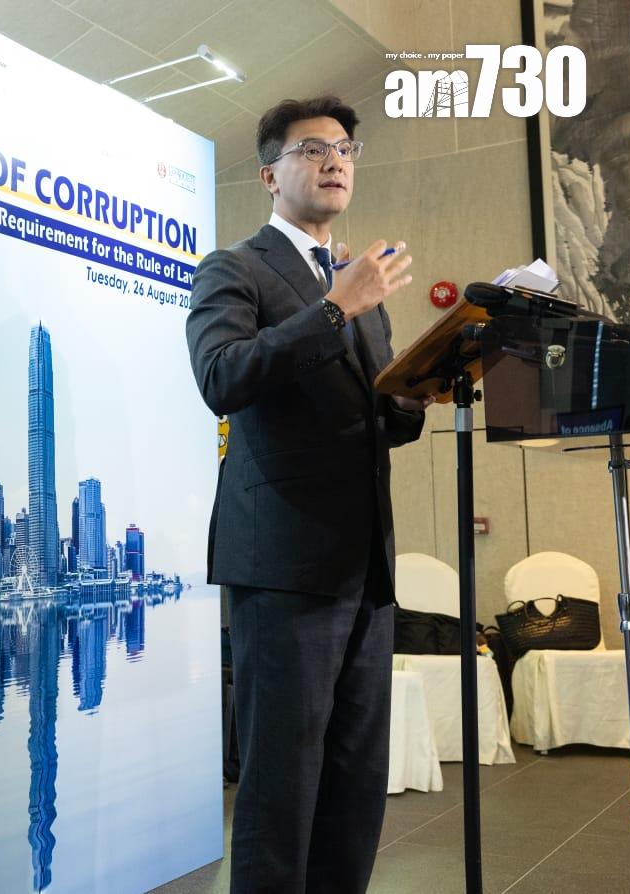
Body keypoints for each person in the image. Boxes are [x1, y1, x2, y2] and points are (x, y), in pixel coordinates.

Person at [185, 96, 429, 893]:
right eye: (313, 149)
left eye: (346, 150)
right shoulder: (235, 268)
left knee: (354, 783)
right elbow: (221, 376)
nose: (335, 160)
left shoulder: (356, 282)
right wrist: (333, 308)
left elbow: (378, 417)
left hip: (365, 566)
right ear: (268, 176)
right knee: (281, 785)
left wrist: (425, 384)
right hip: (285, 563)